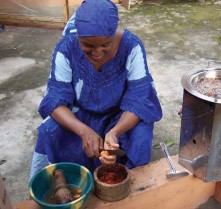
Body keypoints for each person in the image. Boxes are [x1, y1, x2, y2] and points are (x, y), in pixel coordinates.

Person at [30, 0, 162, 179]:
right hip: (80, 114)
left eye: (105, 45)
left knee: (141, 134)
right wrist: (84, 131)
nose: (97, 52)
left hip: (120, 115)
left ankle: (132, 181)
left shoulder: (132, 46)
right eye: (88, 46)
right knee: (49, 131)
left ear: (114, 34)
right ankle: (60, 180)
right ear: (78, 37)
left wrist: (115, 132)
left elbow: (140, 100)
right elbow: (54, 100)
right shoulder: (66, 48)